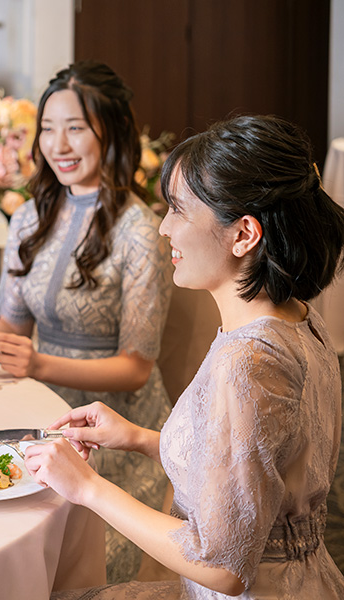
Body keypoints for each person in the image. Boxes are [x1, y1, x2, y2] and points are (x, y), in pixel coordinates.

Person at [32, 115, 344, 599]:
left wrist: (88, 488)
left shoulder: (249, 362)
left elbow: (222, 565)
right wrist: (137, 438)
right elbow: (257, 472)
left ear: (243, 235)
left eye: (177, 210)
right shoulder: (300, 319)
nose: (163, 228)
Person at [0, 61, 173, 582]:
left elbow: (136, 369)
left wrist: (41, 363)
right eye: (49, 129)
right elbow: (12, 328)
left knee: (60, 566)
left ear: (112, 132)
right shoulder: (31, 215)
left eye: (76, 127)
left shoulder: (140, 230)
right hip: (37, 413)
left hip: (113, 433)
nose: (59, 144)